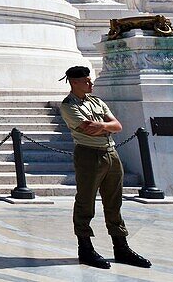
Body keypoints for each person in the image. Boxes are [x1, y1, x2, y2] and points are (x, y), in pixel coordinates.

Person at [59, 65, 151, 269]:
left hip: (111, 153)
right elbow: (87, 129)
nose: (91, 83)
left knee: (114, 202)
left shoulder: (97, 101)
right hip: (88, 154)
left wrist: (101, 127)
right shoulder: (68, 105)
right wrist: (105, 127)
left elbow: (118, 126)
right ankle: (85, 247)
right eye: (86, 81)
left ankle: (121, 246)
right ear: (74, 82)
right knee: (85, 202)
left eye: (90, 80)